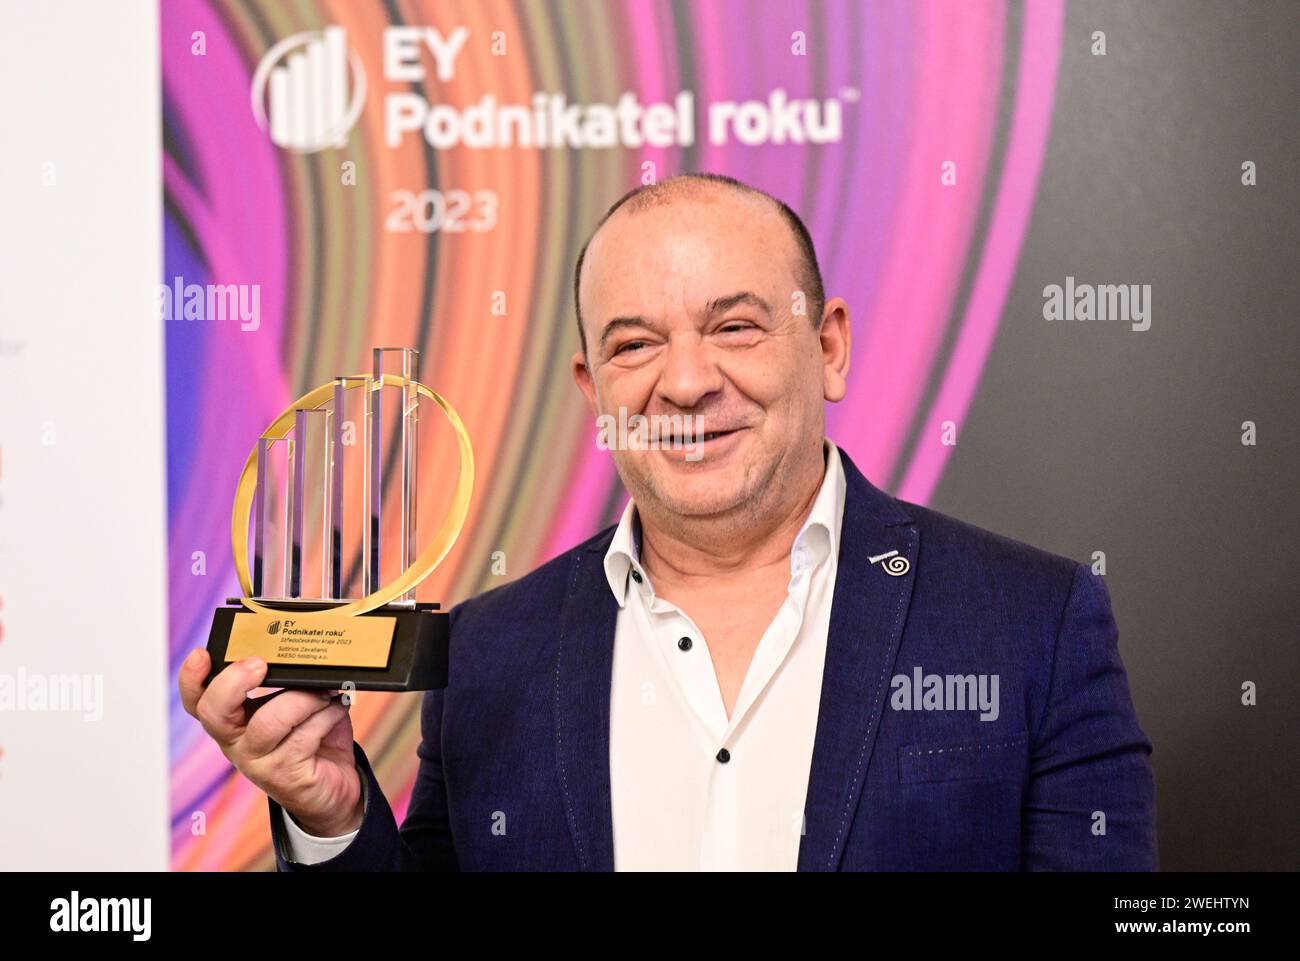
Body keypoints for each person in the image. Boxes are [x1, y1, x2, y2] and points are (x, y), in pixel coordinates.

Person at [179, 173, 1157, 871]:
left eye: (734, 325)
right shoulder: (488, 650)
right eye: (636, 343)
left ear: (828, 347)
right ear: (592, 387)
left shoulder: (1035, 620)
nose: (685, 381)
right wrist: (334, 815)